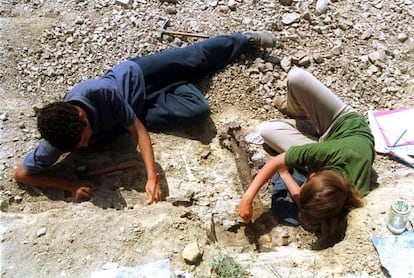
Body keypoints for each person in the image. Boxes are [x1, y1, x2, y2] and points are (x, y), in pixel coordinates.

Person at [13, 31, 277, 204]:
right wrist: (69, 184)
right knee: (198, 110)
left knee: (194, 58)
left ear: (82, 116)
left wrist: (152, 177)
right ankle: (180, 82)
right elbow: (22, 174)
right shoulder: (59, 137)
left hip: (137, 76)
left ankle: (245, 40)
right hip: (136, 112)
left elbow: (139, 133)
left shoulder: (99, 93)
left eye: (83, 139)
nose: (83, 146)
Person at [238, 67, 375, 249]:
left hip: (326, 142)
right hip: (341, 122)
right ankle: (297, 111)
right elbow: (276, 162)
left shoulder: (341, 196)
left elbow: (304, 196)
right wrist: (247, 198)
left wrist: (285, 174)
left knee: (267, 131)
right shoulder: (326, 156)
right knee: (296, 77)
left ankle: (305, 125)